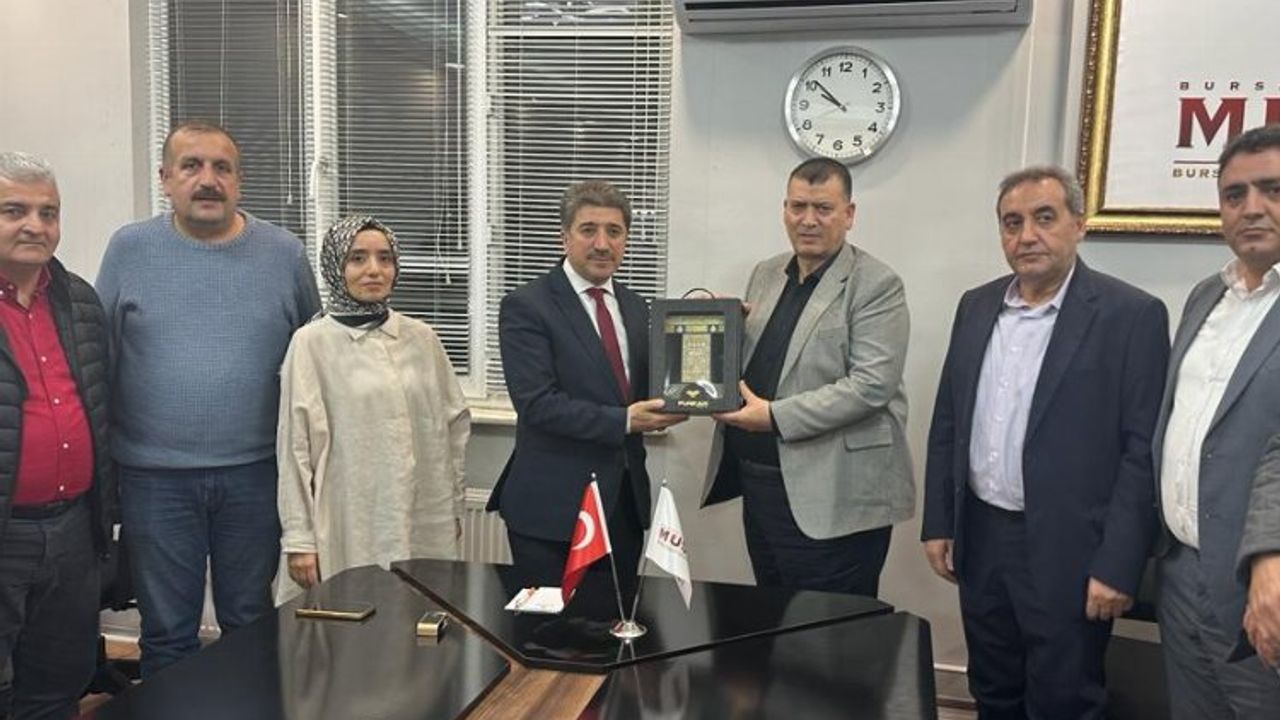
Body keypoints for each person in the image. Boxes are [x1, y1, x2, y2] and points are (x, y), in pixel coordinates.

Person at [920, 165, 1169, 719]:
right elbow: (949, 420)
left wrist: (1118, 564)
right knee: (993, 689)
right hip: (983, 535)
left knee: (1064, 699)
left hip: (1071, 547)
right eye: (1012, 223)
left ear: (1079, 224)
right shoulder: (976, 306)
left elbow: (1142, 453)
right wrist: (939, 520)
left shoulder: (1132, 316)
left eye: (1044, 218)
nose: (1027, 235)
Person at [95, 121, 321, 676]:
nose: (208, 180)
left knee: (250, 622)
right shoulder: (129, 249)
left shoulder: (284, 254)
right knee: (167, 633)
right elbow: (100, 360)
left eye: (222, 168)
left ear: (239, 181)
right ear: (165, 178)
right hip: (155, 480)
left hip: (255, 475)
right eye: (191, 166)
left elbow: (315, 360)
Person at [703, 158, 913, 597]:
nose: (808, 220)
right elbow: (769, 357)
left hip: (835, 494)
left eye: (823, 208)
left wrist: (774, 417)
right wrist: (719, 327)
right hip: (761, 488)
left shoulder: (876, 284)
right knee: (773, 614)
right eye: (798, 206)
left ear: (849, 214)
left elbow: (871, 385)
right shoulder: (766, 273)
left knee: (830, 627)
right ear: (784, 210)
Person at [487, 180, 685, 592]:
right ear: (565, 237)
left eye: (614, 231)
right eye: (588, 230)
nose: (602, 244)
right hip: (552, 511)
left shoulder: (636, 306)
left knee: (616, 622)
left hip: (623, 508)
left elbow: (650, 387)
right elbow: (537, 404)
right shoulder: (527, 305)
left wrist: (711, 326)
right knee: (547, 627)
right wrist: (625, 420)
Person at [1153, 124, 1280, 718]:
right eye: (1235, 194)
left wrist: (1270, 555)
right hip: (1182, 571)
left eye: (1272, 190)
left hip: (1264, 580)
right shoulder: (1206, 295)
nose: (1251, 208)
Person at [275, 216, 468, 602]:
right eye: (358, 258)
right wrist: (299, 539)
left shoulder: (421, 338)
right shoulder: (312, 343)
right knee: (353, 618)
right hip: (349, 517)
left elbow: (454, 427)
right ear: (336, 267)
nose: (374, 270)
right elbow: (295, 447)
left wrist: (453, 507)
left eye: (385, 258)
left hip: (423, 514)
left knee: (420, 613)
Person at [0, 151, 114, 720]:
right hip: (8, 534)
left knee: (58, 681)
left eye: (49, 212)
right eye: (14, 210)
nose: (35, 225)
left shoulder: (80, 300)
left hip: (73, 531)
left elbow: (101, 403)